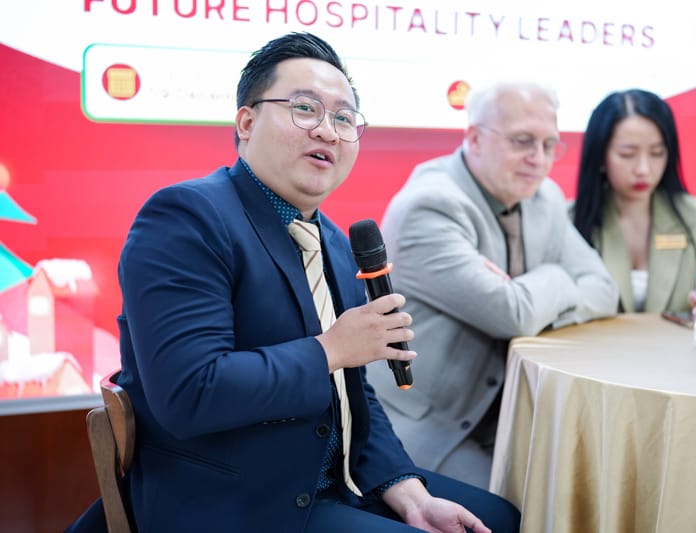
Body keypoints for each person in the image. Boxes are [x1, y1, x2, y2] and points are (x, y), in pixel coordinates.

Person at [66, 32, 520, 533]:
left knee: (502, 518)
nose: (328, 130)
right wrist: (331, 350)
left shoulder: (335, 243)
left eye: (344, 118)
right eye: (305, 109)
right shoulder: (187, 218)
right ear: (246, 122)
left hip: (331, 481)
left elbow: (353, 398)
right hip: (234, 500)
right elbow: (191, 392)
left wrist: (408, 493)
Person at [369, 81, 619, 490]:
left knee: (596, 479)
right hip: (427, 426)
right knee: (529, 507)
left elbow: (604, 289)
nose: (538, 159)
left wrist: (530, 297)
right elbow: (511, 314)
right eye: (522, 141)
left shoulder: (543, 197)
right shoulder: (429, 206)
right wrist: (555, 277)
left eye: (549, 145)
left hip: (510, 414)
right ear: (474, 138)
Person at [571, 89, 696, 314]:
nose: (643, 169)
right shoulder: (568, 222)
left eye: (657, 153)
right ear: (600, 156)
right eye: (627, 154)